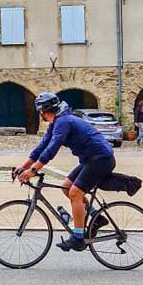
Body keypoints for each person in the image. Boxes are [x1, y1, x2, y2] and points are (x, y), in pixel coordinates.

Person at [15, 92, 116, 251]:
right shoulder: (56, 122)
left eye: (40, 111)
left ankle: (78, 237)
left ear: (43, 111)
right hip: (89, 159)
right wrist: (24, 166)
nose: (40, 115)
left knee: (75, 192)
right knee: (66, 187)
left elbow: (52, 149)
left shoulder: (63, 121)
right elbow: (42, 147)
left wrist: (34, 170)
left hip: (101, 159)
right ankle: (97, 218)